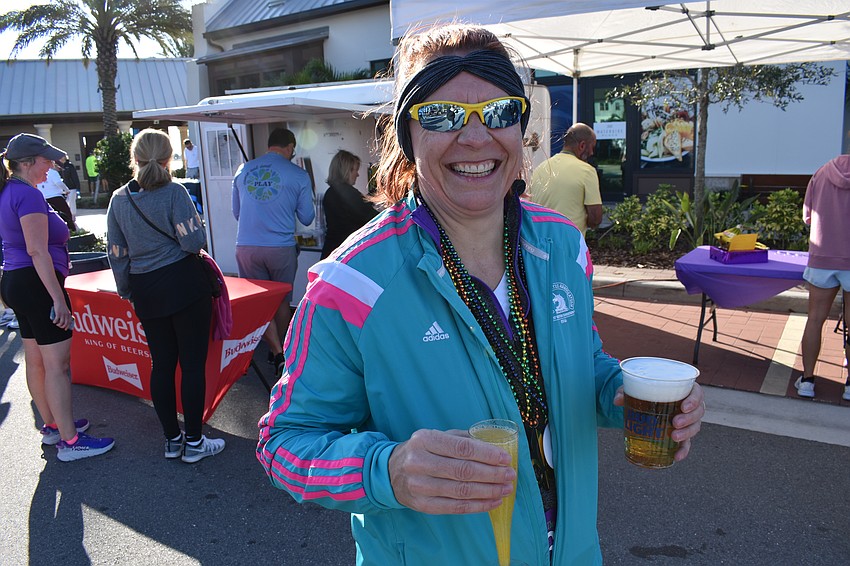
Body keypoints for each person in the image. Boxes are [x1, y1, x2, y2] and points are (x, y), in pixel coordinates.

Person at [256, 24, 705, 565]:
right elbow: (284, 442)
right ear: (408, 137)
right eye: (442, 116)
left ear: (521, 130)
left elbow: (581, 368)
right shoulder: (354, 282)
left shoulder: (563, 247)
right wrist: (388, 470)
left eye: (498, 114)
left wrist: (623, 394)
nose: (475, 138)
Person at [107, 128, 224, 463]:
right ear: (169, 158)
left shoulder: (119, 199)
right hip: (185, 286)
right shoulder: (174, 193)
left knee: (161, 365)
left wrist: (126, 289)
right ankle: (195, 443)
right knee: (191, 365)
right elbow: (193, 242)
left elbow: (116, 252)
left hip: (146, 290)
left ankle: (172, 441)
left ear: (135, 159)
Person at [0, 133, 114, 462]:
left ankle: (54, 426)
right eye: (45, 159)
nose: (51, 165)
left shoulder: (10, 190)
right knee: (58, 366)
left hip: (16, 281)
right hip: (36, 284)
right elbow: (37, 250)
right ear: (25, 163)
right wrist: (59, 300)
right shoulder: (28, 196)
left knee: (37, 361)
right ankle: (70, 441)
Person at [231, 128, 315, 374]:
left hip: (246, 245)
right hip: (280, 247)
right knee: (281, 300)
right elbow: (308, 217)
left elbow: (237, 213)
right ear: (289, 147)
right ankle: (283, 353)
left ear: (269, 146)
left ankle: (274, 349)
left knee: (260, 301)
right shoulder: (298, 174)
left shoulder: (243, 170)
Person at [795, 154, 850, 400]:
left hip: (822, 256)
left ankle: (807, 380)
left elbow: (808, 217)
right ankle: (849, 386)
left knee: (815, 320)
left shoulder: (821, 173)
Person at [529, 123, 603, 234]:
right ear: (582, 145)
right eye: (592, 147)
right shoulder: (587, 171)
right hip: (569, 244)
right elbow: (595, 219)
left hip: (540, 244)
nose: (592, 153)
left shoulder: (540, 169)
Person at [320, 149, 378, 259]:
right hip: (346, 253)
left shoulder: (330, 193)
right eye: (355, 170)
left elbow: (358, 207)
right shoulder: (348, 193)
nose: (357, 174)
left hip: (331, 251)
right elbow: (370, 216)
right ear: (347, 171)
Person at [37, 160, 77, 232]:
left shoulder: (38, 173)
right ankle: (71, 230)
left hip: (44, 199)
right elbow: (59, 183)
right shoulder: (53, 173)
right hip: (56, 198)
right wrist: (66, 190)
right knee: (67, 215)